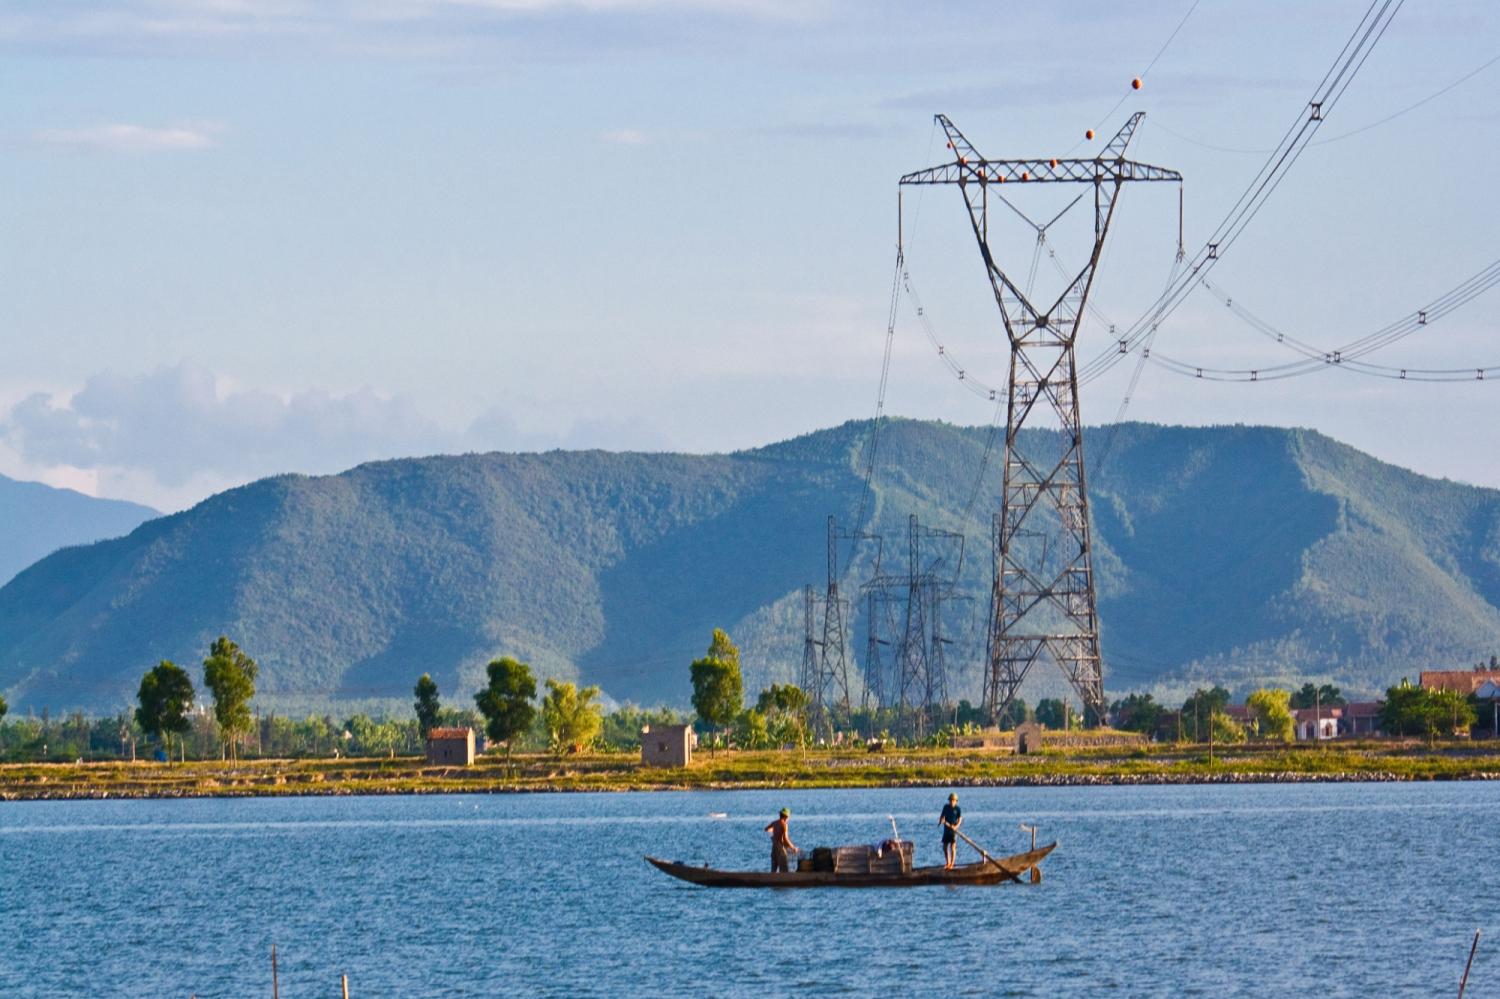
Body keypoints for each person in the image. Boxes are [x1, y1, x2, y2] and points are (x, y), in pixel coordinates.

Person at [765, 807, 797, 873]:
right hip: (781, 848)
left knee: (773, 869)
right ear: (786, 817)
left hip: (774, 848)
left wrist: (774, 831)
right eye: (788, 817)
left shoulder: (774, 823)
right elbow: (785, 839)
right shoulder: (784, 825)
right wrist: (793, 848)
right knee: (784, 869)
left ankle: (772, 879)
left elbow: (766, 829)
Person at [939, 793, 962, 869]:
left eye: (953, 800)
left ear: (956, 801)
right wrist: (941, 820)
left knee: (953, 846)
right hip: (946, 830)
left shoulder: (957, 809)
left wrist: (956, 826)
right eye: (950, 800)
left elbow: (960, 819)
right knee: (945, 846)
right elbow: (942, 816)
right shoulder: (946, 807)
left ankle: (952, 864)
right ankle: (947, 863)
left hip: (953, 830)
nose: (951, 802)